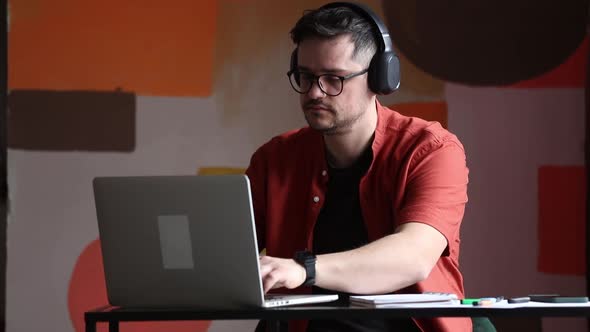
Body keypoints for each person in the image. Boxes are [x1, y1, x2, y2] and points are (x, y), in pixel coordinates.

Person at [246, 2, 470, 331]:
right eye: (305, 77)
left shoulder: (431, 150)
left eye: (333, 78)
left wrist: (303, 269)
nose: (314, 92)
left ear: (380, 77)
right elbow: (230, 253)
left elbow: (414, 256)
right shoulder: (275, 158)